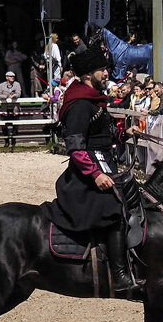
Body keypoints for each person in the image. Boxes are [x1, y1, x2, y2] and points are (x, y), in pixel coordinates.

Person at [53, 45, 143, 292]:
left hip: (104, 162)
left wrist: (124, 133)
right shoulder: (80, 104)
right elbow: (75, 146)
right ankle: (119, 275)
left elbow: (105, 132)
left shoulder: (94, 101)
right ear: (86, 75)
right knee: (113, 210)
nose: (106, 74)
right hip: (86, 174)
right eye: (101, 69)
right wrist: (96, 174)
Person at [0, 70, 22, 148]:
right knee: (4, 126)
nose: (12, 78)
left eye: (13, 76)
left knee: (15, 125)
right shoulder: (1, 85)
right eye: (11, 76)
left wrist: (14, 96)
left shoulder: (17, 84)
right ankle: (6, 141)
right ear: (7, 77)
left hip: (15, 108)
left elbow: (19, 93)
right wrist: (6, 96)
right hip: (5, 108)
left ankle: (13, 141)